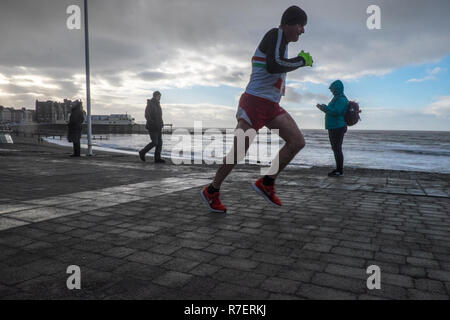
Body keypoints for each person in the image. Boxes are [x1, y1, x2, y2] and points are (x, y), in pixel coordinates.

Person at [201, 5, 313, 213]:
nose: (302, 30)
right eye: (300, 25)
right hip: (254, 103)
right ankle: (212, 190)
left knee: (297, 142)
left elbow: (276, 64)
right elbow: (274, 64)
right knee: (238, 152)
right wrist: (301, 61)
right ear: (289, 23)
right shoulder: (276, 33)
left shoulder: (282, 42)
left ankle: (267, 182)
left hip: (270, 106)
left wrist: (297, 62)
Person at [316, 80, 349, 177]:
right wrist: (323, 108)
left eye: (333, 89)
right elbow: (332, 111)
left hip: (338, 126)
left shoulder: (341, 99)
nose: (332, 91)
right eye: (331, 90)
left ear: (337, 88)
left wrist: (325, 108)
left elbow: (336, 112)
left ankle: (340, 171)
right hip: (333, 126)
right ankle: (338, 169)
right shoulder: (336, 98)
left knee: (337, 149)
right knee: (335, 148)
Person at [139, 91, 165, 163]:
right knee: (154, 142)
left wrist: (161, 123)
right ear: (156, 96)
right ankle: (142, 152)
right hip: (152, 127)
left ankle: (157, 158)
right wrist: (153, 123)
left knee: (159, 143)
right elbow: (147, 115)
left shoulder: (158, 104)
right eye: (159, 96)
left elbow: (159, 116)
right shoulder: (150, 104)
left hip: (159, 126)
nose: (160, 98)